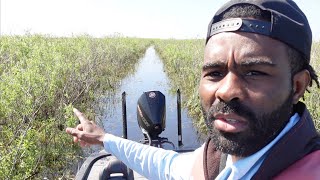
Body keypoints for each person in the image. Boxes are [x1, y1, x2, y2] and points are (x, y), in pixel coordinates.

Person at [66, 0, 320, 179]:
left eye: (254, 72)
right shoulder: (216, 161)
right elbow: (167, 165)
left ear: (297, 86)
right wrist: (103, 138)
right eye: (215, 73)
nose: (226, 91)